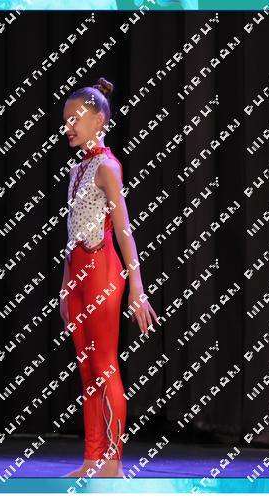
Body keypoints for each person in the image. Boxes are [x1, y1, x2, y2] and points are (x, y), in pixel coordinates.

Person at [59, 77, 158, 478]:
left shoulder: (107, 167)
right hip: (78, 275)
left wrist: (137, 287)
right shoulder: (77, 169)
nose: (68, 127)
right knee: (86, 369)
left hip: (102, 271)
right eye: (65, 121)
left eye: (75, 119)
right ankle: (91, 459)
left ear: (98, 119)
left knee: (104, 365)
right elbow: (71, 234)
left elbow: (123, 229)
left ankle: (113, 463)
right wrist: (65, 289)